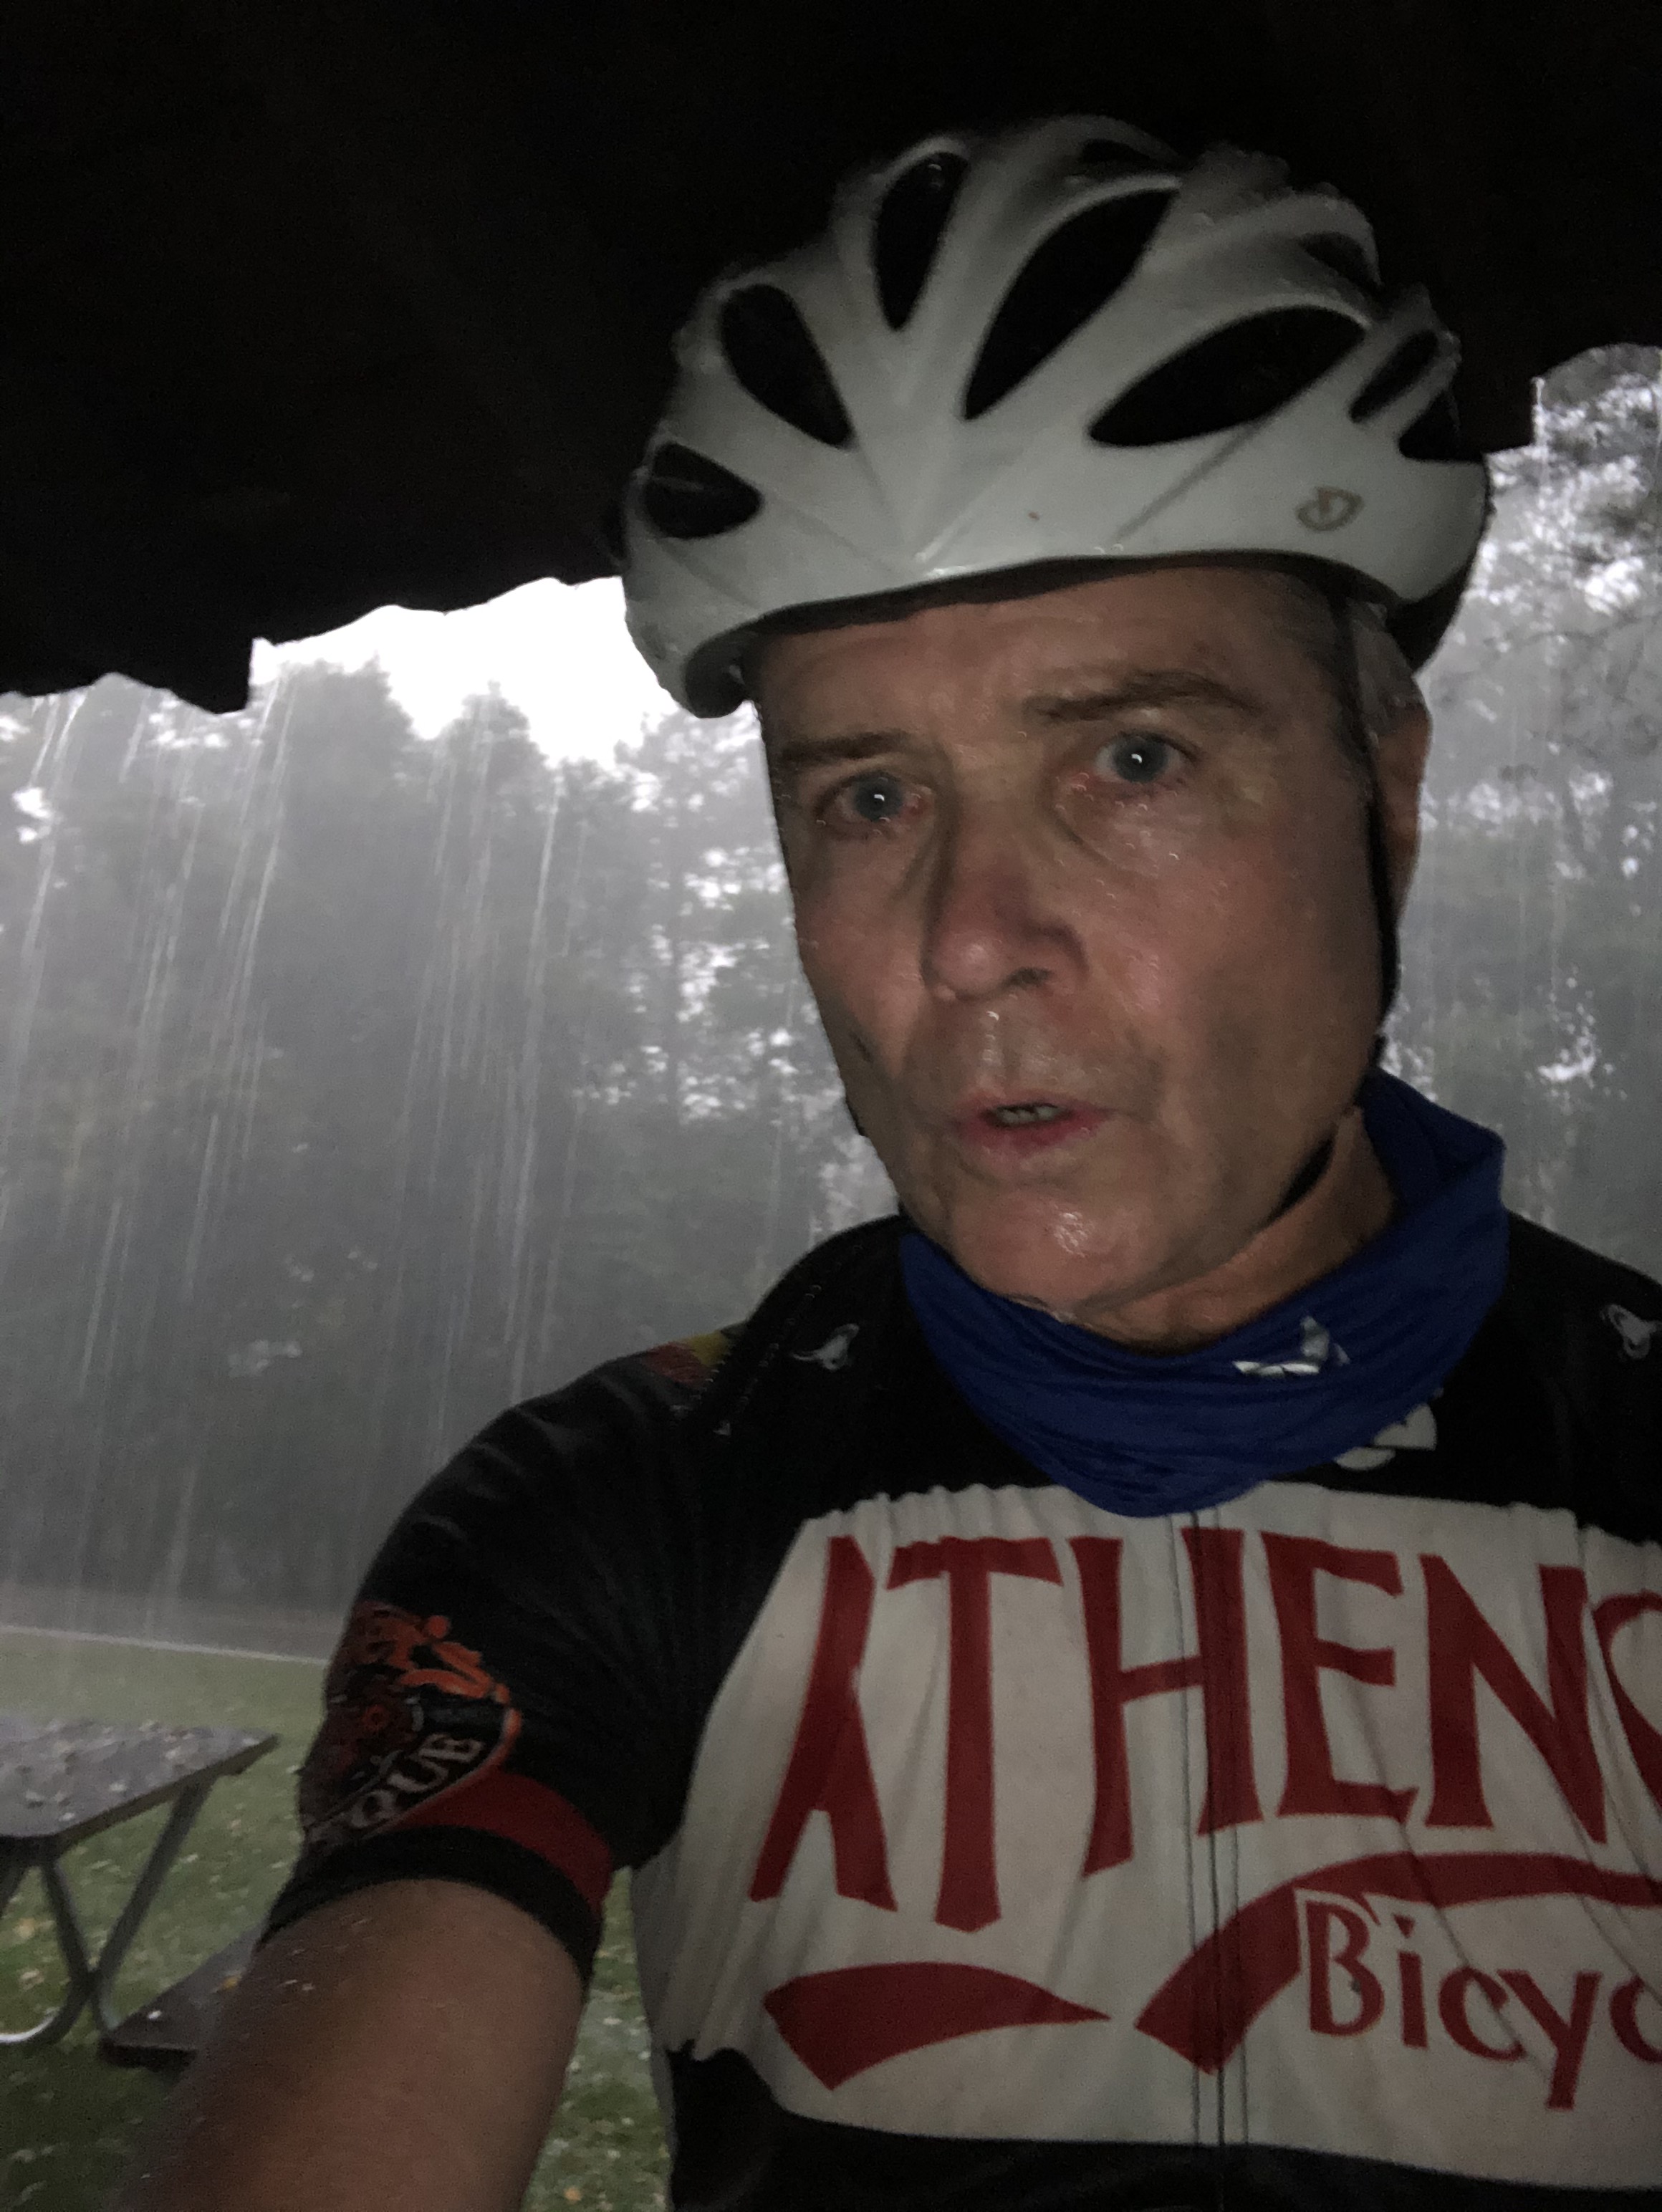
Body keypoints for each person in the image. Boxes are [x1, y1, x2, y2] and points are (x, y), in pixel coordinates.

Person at [119, 117, 1662, 2212]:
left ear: (1383, 792)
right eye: (867, 797)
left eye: (1132, 756)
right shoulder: (636, 1498)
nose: (968, 942)